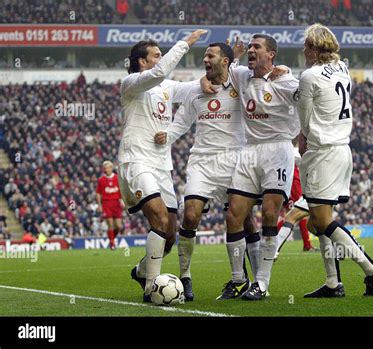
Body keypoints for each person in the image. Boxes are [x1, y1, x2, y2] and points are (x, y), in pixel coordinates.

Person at [155, 42, 258, 301]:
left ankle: (253, 280)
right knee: (189, 216)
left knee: (243, 220)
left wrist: (277, 69)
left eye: (210, 55)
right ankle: (186, 278)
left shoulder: (240, 81)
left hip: (235, 160)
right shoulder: (196, 91)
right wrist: (165, 137)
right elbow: (180, 124)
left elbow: (258, 73)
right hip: (202, 161)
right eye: (204, 56)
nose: (205, 59)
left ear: (225, 61)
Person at [297, 23, 373, 298]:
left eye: (306, 45)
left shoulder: (308, 76)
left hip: (323, 152)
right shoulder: (343, 69)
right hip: (341, 149)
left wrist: (302, 137)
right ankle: (333, 282)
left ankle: (372, 269)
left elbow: (304, 118)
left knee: (322, 222)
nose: (303, 50)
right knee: (318, 221)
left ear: (313, 48)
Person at [118, 29, 208, 302]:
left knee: (169, 234)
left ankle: (142, 270)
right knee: (157, 217)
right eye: (157, 55)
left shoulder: (166, 88)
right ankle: (150, 289)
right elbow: (158, 74)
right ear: (142, 61)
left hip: (161, 166)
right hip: (136, 160)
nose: (162, 58)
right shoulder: (131, 83)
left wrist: (228, 64)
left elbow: (195, 86)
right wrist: (185, 44)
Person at [215, 34, 300, 300]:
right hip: (249, 150)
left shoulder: (286, 81)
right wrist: (236, 53)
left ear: (271, 55)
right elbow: (219, 71)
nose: (252, 50)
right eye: (251, 47)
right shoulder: (241, 75)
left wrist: (290, 71)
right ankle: (239, 279)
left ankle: (262, 283)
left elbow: (308, 99)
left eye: (257, 47)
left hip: (278, 149)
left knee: (269, 214)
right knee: (233, 215)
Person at [96, 160, 123, 250]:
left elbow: (121, 190)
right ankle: (112, 244)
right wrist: (99, 205)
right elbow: (98, 193)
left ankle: (112, 238)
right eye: (104, 168)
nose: (105, 169)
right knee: (110, 224)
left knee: (119, 226)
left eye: (107, 167)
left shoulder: (117, 178)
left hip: (116, 203)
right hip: (106, 203)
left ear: (111, 168)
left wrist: (122, 200)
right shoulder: (101, 180)